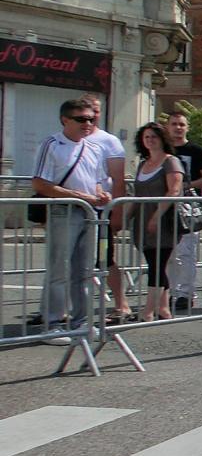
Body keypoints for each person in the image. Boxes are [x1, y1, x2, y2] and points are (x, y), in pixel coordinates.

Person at [30, 98, 112, 339]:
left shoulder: (94, 148)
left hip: (89, 212)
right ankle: (52, 324)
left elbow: (96, 181)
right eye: (81, 119)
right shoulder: (52, 144)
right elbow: (40, 183)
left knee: (85, 270)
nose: (88, 124)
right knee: (60, 269)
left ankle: (82, 322)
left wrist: (101, 194)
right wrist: (81, 196)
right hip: (64, 210)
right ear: (65, 120)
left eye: (91, 119)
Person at [129, 123, 185, 322]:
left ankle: (148, 311)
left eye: (154, 136)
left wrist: (156, 216)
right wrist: (125, 218)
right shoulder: (143, 164)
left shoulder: (171, 162)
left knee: (157, 265)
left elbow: (174, 190)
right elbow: (137, 195)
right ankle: (163, 308)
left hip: (164, 221)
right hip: (142, 220)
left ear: (162, 139)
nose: (150, 140)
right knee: (155, 264)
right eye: (146, 137)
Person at [83, 96, 131, 322]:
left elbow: (118, 180)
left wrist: (117, 212)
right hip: (76, 209)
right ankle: (63, 308)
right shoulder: (71, 139)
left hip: (102, 212)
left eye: (95, 111)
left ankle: (122, 304)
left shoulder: (109, 141)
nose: (91, 116)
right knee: (69, 259)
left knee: (105, 258)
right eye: (87, 112)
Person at [162, 111, 202, 313]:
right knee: (168, 252)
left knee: (186, 252)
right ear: (167, 127)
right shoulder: (162, 150)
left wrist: (184, 186)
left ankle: (186, 293)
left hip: (188, 207)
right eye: (174, 124)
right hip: (165, 205)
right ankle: (170, 291)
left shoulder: (196, 151)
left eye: (181, 124)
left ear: (187, 127)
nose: (178, 128)